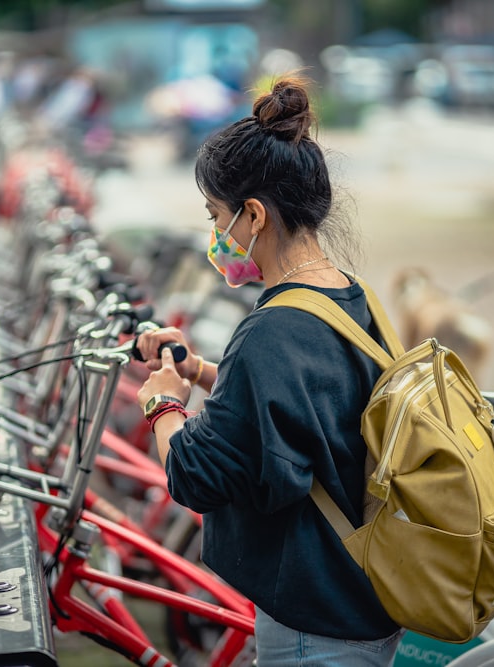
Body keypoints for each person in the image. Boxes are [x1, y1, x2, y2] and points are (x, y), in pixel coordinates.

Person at [133, 75, 404, 665]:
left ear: (253, 216)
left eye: (217, 216)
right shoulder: (349, 296)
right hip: (360, 597)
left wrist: (163, 404)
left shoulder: (272, 330)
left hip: (314, 622)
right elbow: (302, 412)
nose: (215, 235)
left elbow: (195, 475)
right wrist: (202, 369)